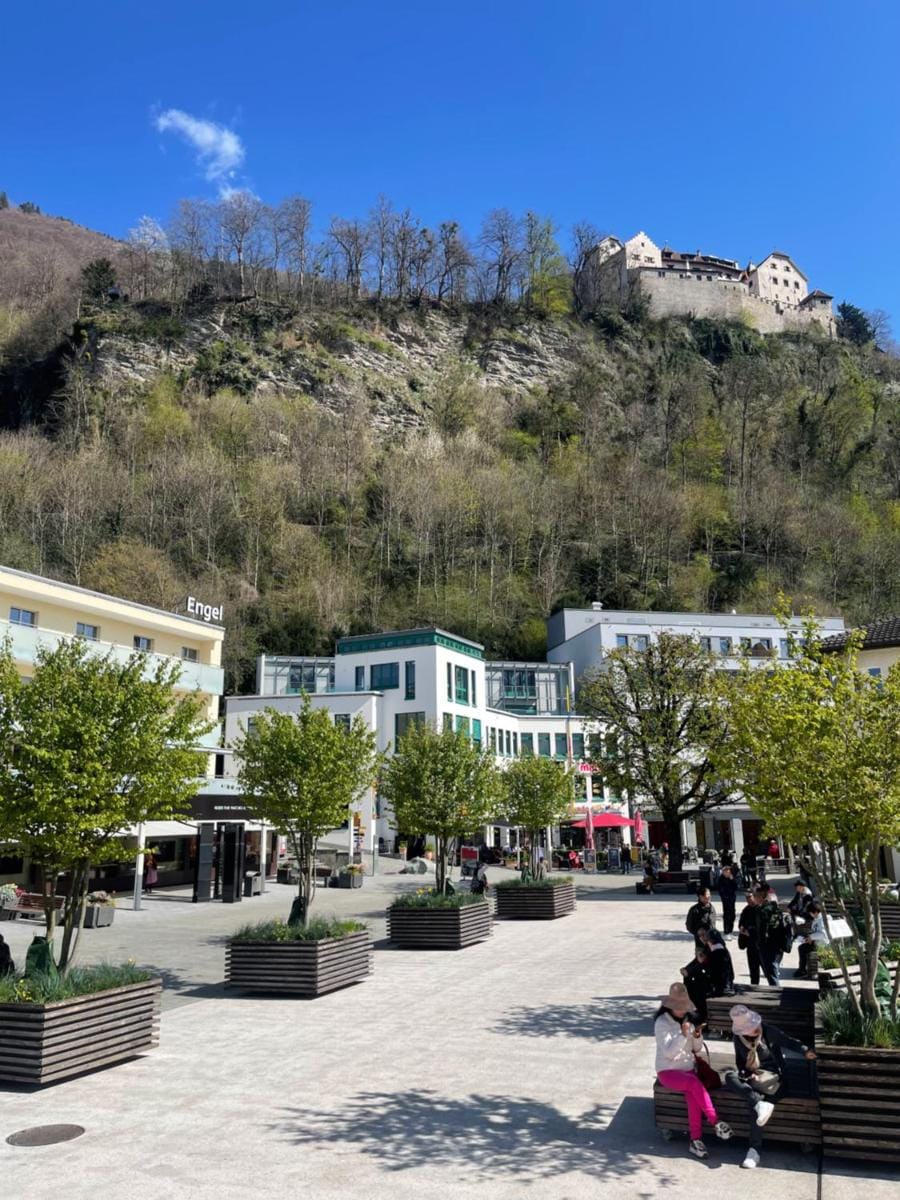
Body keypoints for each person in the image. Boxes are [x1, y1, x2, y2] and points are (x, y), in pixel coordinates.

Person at [724, 1004, 816, 1169]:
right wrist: (747, 1073)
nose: (755, 1029)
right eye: (751, 1029)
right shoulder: (738, 1039)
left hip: (776, 1080)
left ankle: (754, 1150)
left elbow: (788, 1041)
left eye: (755, 1025)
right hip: (754, 1078)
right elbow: (740, 1063)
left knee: (755, 1102)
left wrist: (805, 1051)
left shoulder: (767, 1031)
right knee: (730, 1077)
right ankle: (759, 1104)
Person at [654, 982, 733, 1159]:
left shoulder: (689, 1020)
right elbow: (668, 1053)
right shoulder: (662, 1023)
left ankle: (695, 1140)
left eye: (684, 1008)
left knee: (693, 1098)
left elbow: (696, 1049)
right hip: (668, 1070)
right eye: (678, 1008)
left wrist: (697, 1036)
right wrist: (682, 1035)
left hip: (688, 1070)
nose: (682, 1011)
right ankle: (715, 1121)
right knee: (692, 1083)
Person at [755, 884, 789, 986]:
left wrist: (759, 944)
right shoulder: (776, 909)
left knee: (771, 972)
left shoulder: (762, 911)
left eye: (755, 895)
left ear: (761, 897)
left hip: (767, 946)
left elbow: (762, 930)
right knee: (773, 970)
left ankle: (776, 993)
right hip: (778, 944)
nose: (754, 897)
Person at [796, 901, 826, 980]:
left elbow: (823, 934)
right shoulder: (817, 919)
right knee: (802, 946)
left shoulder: (822, 920)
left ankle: (802, 970)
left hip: (822, 944)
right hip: (816, 942)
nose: (810, 915)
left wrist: (811, 937)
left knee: (802, 948)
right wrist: (809, 938)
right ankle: (802, 968)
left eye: (811, 913)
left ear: (815, 912)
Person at [737, 890, 762, 985]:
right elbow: (740, 923)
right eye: (746, 898)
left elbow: (762, 927)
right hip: (750, 944)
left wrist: (751, 932)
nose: (748, 900)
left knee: (767, 970)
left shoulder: (760, 909)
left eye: (750, 897)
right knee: (753, 969)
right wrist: (742, 929)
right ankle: (754, 986)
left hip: (760, 944)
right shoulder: (746, 910)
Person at [716, 866, 739, 936]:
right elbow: (719, 888)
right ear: (723, 872)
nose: (727, 874)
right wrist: (723, 895)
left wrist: (732, 880)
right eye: (726, 872)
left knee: (732, 914)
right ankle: (726, 930)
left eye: (728, 872)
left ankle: (730, 929)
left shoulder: (732, 878)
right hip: (725, 899)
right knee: (726, 914)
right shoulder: (721, 879)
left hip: (732, 898)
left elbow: (736, 887)